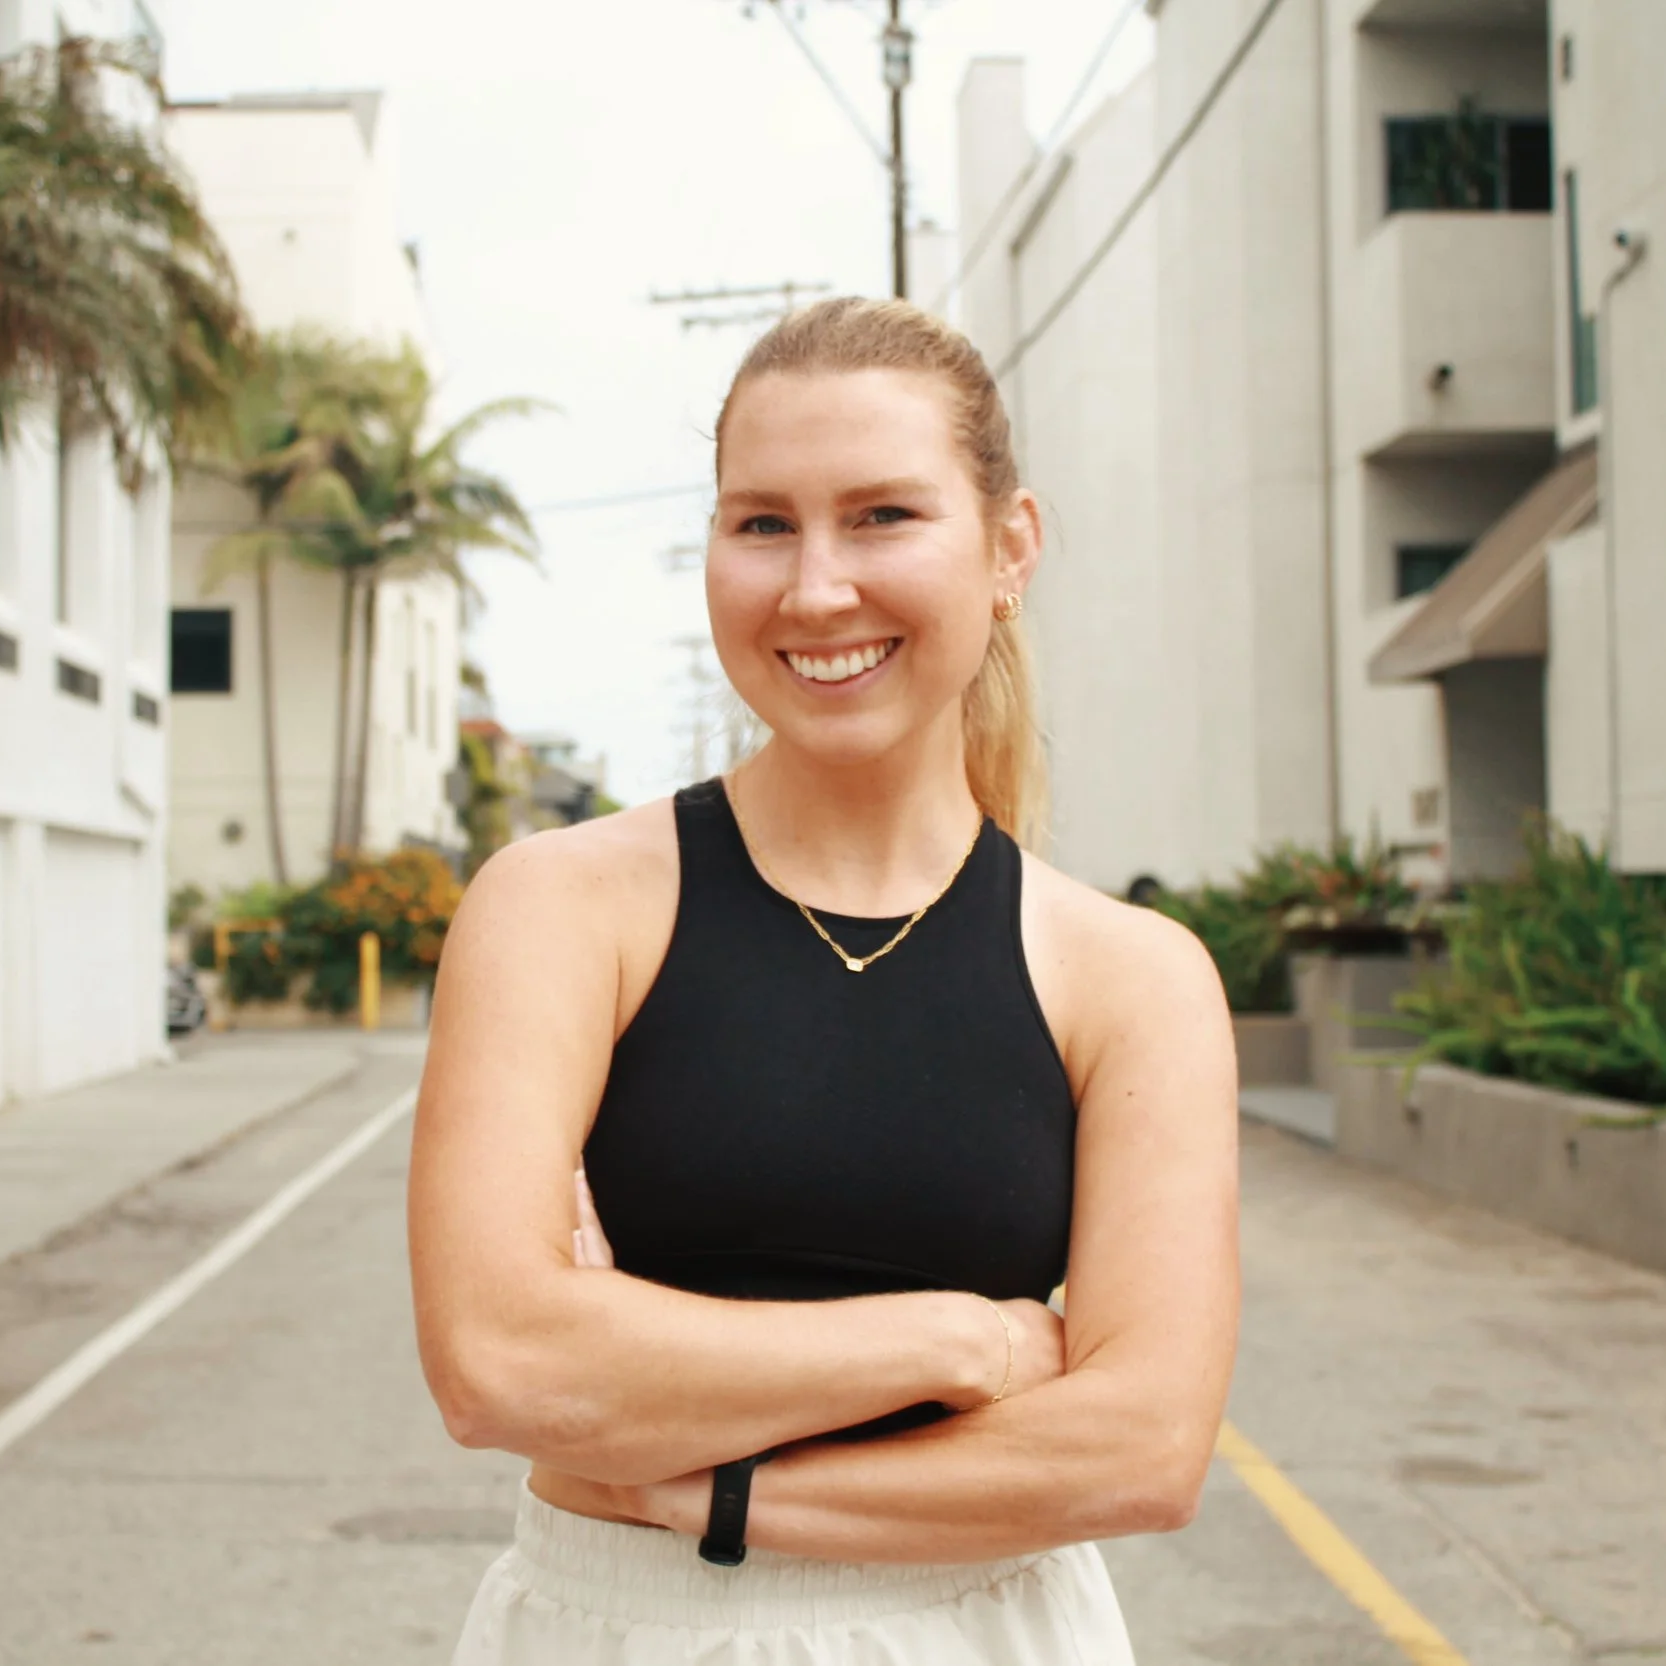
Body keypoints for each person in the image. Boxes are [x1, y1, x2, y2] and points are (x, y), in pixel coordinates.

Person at [409, 296, 1240, 1665]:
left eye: (881, 516)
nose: (812, 589)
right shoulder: (559, 906)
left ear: (1008, 548)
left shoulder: (1129, 974)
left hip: (987, 1630)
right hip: (613, 1630)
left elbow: (1139, 1444)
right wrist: (955, 1344)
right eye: (761, 523)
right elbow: (499, 1360)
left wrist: (716, 1490)